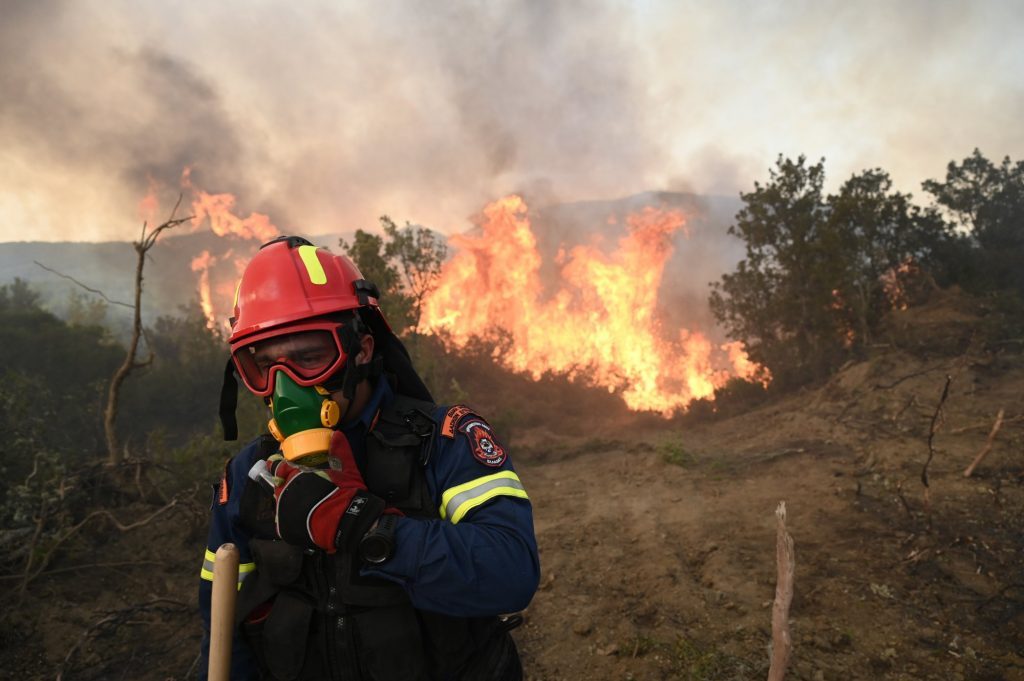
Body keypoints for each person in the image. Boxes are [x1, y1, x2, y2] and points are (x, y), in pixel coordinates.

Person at [198, 235, 540, 680]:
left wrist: (362, 525)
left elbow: (510, 573)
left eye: (309, 358)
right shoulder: (248, 476)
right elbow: (222, 626)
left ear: (361, 349)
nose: (286, 387)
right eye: (264, 367)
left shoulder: (444, 440)